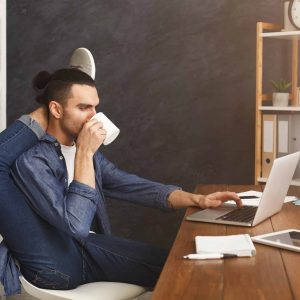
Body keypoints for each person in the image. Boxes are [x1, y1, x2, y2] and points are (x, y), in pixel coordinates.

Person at [0, 68, 241, 295]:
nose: (94, 117)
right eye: (84, 107)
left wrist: (196, 198)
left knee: (178, 264)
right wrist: (84, 152)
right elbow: (75, 224)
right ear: (56, 110)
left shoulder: (88, 153)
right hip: (60, 265)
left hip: (87, 248)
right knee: (175, 269)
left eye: (95, 108)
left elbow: (132, 186)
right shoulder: (33, 160)